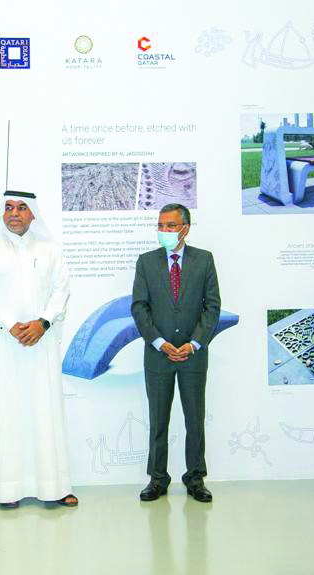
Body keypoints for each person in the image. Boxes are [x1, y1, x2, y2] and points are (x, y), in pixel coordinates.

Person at [0, 190, 77, 509]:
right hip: (0, 344)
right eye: (9, 207)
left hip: (40, 343)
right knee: (4, 415)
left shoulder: (51, 250)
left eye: (22, 207)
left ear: (33, 214)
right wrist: (11, 325)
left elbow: (61, 290)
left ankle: (54, 487)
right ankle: (7, 490)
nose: (14, 213)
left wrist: (42, 323)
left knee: (45, 413)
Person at [131, 203, 220, 503]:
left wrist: (194, 343)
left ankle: (195, 478)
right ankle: (157, 479)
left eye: (170, 225)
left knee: (194, 420)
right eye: (160, 225)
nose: (164, 231)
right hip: (158, 356)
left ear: (185, 229)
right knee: (158, 420)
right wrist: (158, 342)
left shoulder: (204, 260)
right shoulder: (146, 262)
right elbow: (139, 307)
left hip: (193, 356)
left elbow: (212, 307)